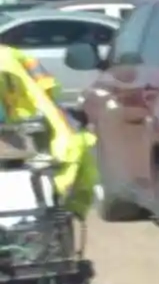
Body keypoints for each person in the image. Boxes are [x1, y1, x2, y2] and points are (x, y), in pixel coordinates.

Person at [0, 43, 97, 218]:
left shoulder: (12, 59)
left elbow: (48, 95)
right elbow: (49, 92)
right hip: (29, 139)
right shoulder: (12, 56)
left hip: (25, 141)